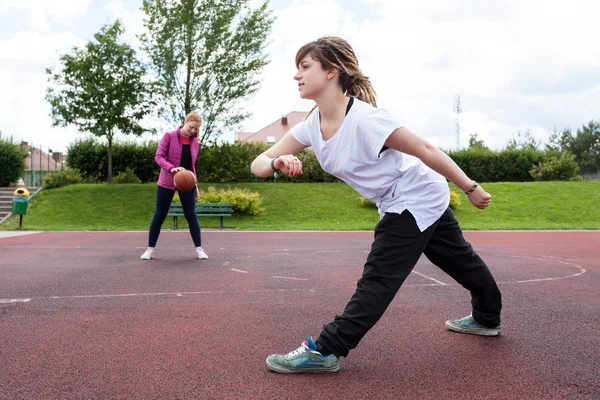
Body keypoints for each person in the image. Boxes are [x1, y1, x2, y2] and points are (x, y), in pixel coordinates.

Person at [250, 36, 502, 374]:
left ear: (331, 72)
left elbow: (425, 149)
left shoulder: (366, 119)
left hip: (414, 194)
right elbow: (259, 162)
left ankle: (326, 349)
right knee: (456, 258)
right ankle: (487, 317)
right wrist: (278, 164)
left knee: (379, 276)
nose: (297, 75)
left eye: (305, 66)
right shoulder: (311, 125)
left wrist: (469, 187)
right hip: (403, 197)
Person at [140, 111, 208, 260]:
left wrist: (195, 185)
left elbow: (192, 166)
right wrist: (171, 168)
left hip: (186, 182)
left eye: (196, 129)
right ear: (186, 122)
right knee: (160, 215)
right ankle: (149, 250)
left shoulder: (195, 142)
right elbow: (158, 156)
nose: (193, 131)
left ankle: (199, 249)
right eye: (191, 127)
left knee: (191, 215)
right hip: (167, 181)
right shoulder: (169, 136)